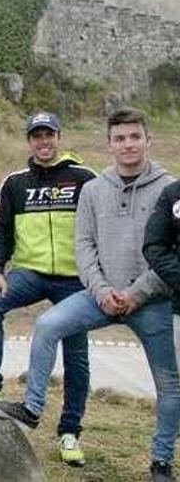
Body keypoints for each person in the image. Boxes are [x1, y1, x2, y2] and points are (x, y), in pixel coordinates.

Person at [0, 108, 179, 481]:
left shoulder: (170, 189)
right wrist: (103, 291)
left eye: (134, 136)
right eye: (120, 138)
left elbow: (172, 255)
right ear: (109, 145)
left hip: (152, 300)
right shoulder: (93, 190)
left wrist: (137, 293)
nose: (128, 144)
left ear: (148, 141)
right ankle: (31, 408)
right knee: (47, 324)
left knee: (170, 385)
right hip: (100, 294)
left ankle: (160, 462)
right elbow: (84, 246)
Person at [0, 112, 96, 466]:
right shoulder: (16, 182)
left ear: (59, 137)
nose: (43, 142)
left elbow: (103, 225)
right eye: (36, 136)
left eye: (49, 134)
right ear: (29, 141)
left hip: (75, 278)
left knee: (76, 353)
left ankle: (69, 431)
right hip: (30, 272)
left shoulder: (83, 178)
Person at [144, 150, 180, 482]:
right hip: (179, 307)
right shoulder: (172, 194)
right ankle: (162, 461)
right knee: (175, 386)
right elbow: (154, 246)